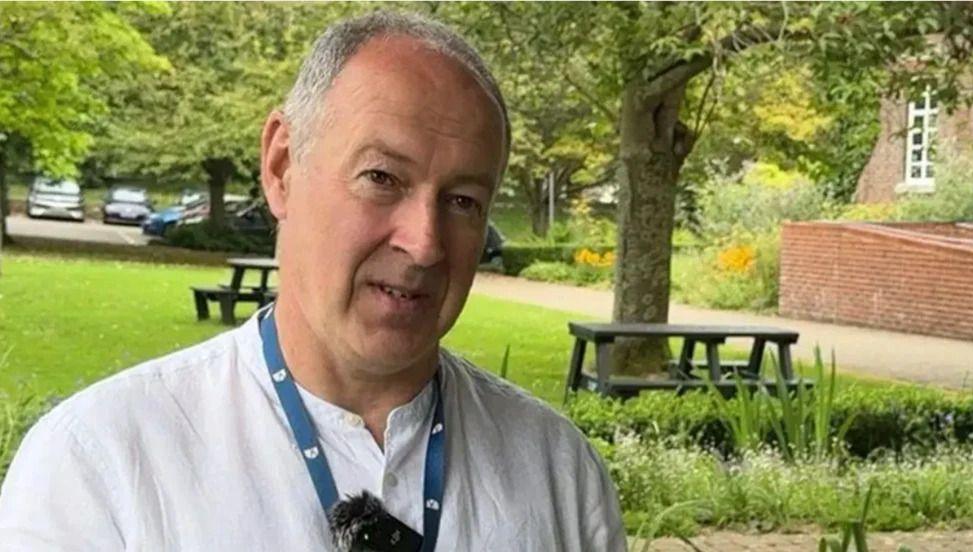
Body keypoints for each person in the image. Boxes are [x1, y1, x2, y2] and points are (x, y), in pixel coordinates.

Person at [0, 11, 625, 551]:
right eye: (382, 177)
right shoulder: (101, 466)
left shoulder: (559, 474)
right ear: (281, 167)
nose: (425, 242)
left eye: (462, 200)